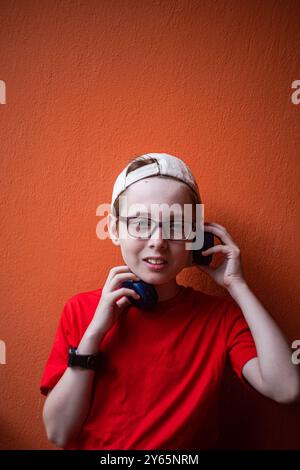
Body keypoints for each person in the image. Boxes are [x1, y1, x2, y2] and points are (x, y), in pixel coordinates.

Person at [40, 153, 300, 450]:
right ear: (114, 229)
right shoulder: (81, 311)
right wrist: (94, 335)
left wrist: (237, 285)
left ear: (196, 237)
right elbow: (59, 433)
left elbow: (287, 388)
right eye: (140, 223)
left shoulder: (220, 318)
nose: (158, 241)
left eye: (176, 226)